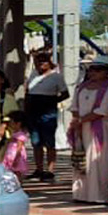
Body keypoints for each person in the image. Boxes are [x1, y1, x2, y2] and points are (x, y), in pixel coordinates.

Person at [70, 62, 108, 204]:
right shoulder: (81, 87)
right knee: (82, 159)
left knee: (99, 160)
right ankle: (81, 194)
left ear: (107, 71)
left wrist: (81, 120)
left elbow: (103, 110)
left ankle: (99, 195)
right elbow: (74, 106)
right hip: (82, 127)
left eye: (98, 70)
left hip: (101, 129)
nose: (93, 72)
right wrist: (77, 122)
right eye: (91, 69)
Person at [23, 52, 69, 181]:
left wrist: (52, 101)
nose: (40, 64)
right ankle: (38, 169)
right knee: (36, 142)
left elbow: (66, 94)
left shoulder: (57, 77)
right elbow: (27, 92)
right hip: (33, 111)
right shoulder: (32, 74)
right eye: (38, 61)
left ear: (49, 62)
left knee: (49, 142)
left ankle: (50, 170)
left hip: (48, 111)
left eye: (43, 61)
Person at [0, 111, 31, 177]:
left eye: (11, 122)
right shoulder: (14, 133)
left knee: (17, 172)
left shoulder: (20, 135)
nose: (10, 124)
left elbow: (19, 147)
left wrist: (17, 158)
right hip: (10, 155)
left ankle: (18, 184)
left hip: (16, 156)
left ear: (18, 124)